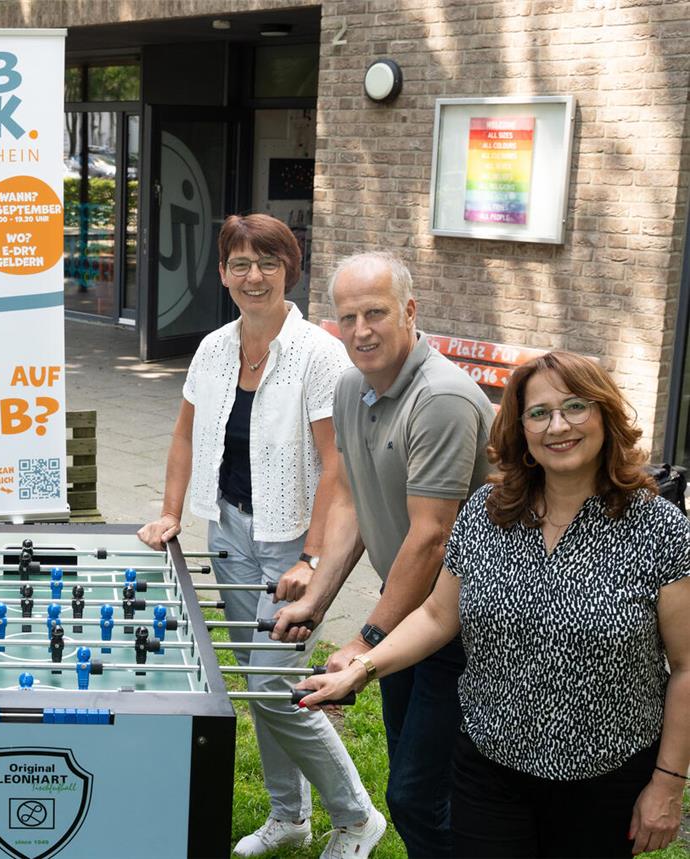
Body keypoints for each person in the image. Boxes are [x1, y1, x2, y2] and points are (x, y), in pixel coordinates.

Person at [289, 351, 690, 858]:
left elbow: (685, 667)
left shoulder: (659, 529)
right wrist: (361, 668)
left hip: (605, 780)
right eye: (539, 413)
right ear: (520, 429)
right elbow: (437, 616)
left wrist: (668, 783)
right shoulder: (488, 511)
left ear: (605, 415)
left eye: (575, 407)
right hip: (489, 769)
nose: (558, 426)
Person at [138, 214, 386, 858]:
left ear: (289, 271)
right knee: (256, 682)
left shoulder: (318, 353)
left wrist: (311, 555)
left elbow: (337, 466)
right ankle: (289, 817)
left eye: (267, 263)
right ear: (222, 274)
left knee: (274, 684)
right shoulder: (214, 347)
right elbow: (186, 435)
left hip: (293, 544)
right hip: (229, 528)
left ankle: (357, 815)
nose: (254, 276)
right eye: (241, 264)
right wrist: (171, 512)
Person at [272, 251, 494, 857]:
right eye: (348, 317)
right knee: (416, 789)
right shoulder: (352, 386)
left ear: (410, 312)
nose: (362, 330)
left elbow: (432, 536)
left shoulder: (440, 399)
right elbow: (350, 498)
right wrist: (316, 601)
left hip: (469, 624)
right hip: (409, 616)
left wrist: (366, 640)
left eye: (376, 313)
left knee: (426, 795)